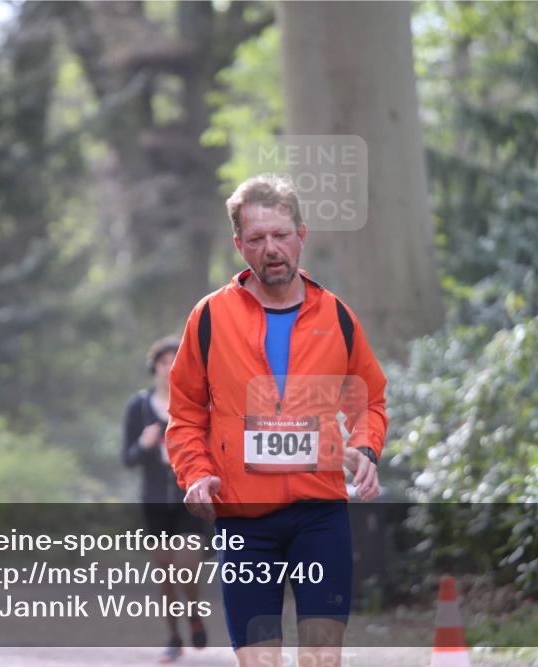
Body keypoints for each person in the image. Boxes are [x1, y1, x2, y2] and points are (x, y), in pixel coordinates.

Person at [166, 175, 388, 667]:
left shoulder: (338, 317)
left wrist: (367, 448)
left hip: (320, 515)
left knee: (322, 658)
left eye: (281, 235)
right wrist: (197, 473)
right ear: (238, 244)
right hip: (244, 522)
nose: (271, 249)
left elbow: (369, 399)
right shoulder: (208, 319)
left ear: (301, 236)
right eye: (258, 238)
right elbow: (184, 415)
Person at [123, 336, 209, 663]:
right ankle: (173, 635)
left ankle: (194, 613)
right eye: (164, 361)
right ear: (154, 367)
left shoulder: (196, 404)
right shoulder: (139, 407)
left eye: (177, 360)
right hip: (155, 501)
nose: (170, 366)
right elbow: (128, 459)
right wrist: (145, 445)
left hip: (191, 497)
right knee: (166, 573)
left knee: (186, 564)